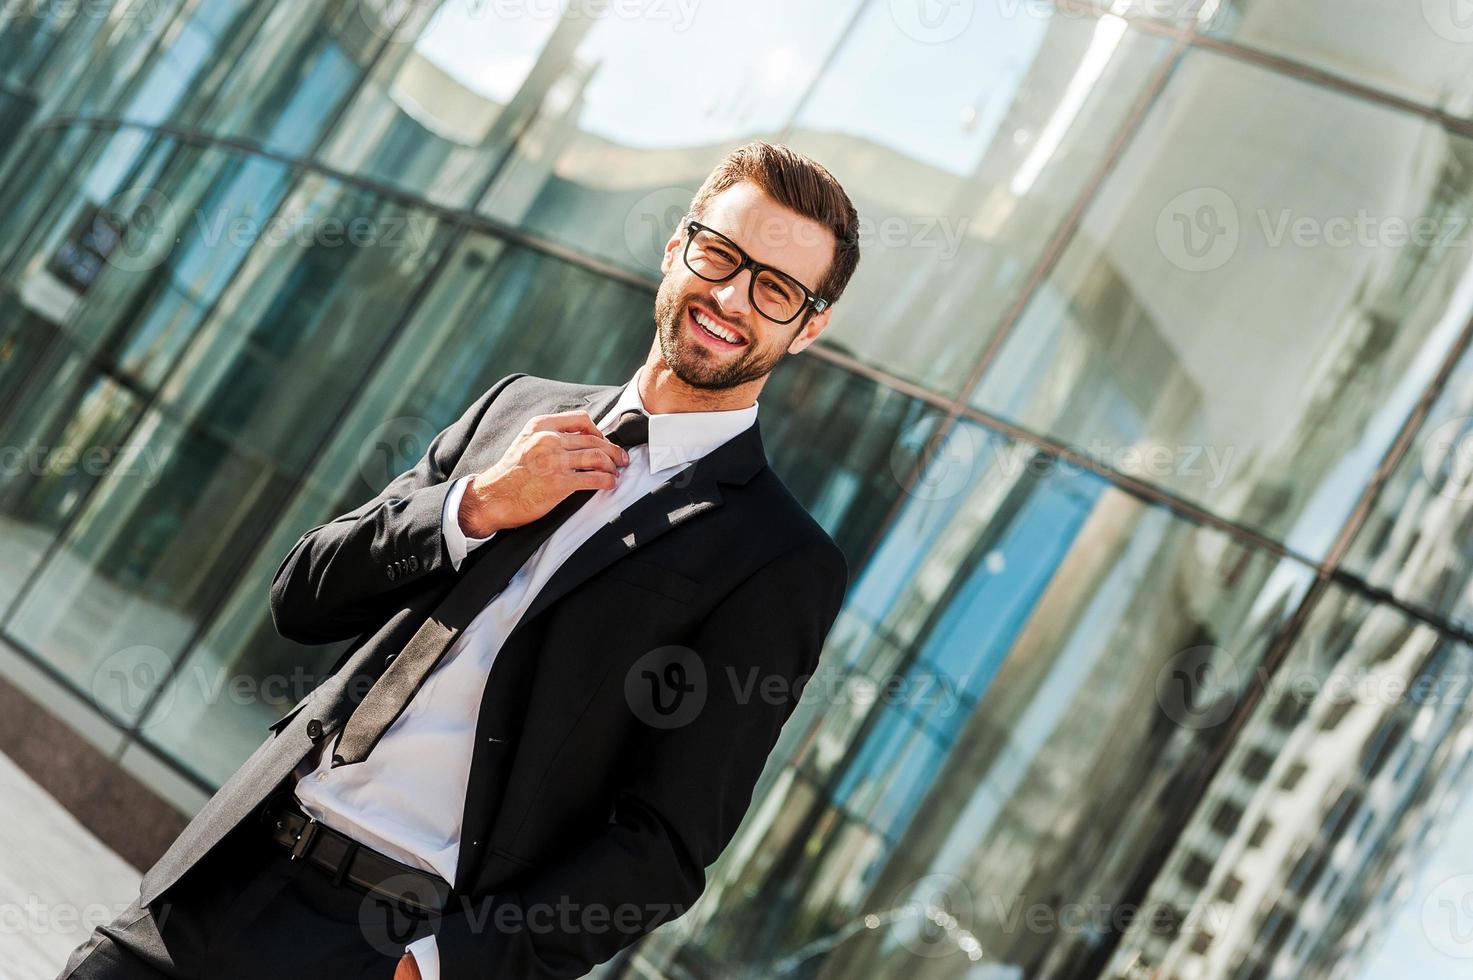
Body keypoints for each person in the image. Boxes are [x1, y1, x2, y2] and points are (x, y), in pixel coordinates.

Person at [58, 139, 861, 980]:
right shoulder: (518, 408)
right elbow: (303, 600)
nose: (730, 295)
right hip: (223, 879)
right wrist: (471, 505)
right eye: (720, 254)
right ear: (676, 247)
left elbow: (661, 847)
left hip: (387, 947)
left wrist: (444, 967)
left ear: (808, 326)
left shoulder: (776, 558)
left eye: (774, 288)